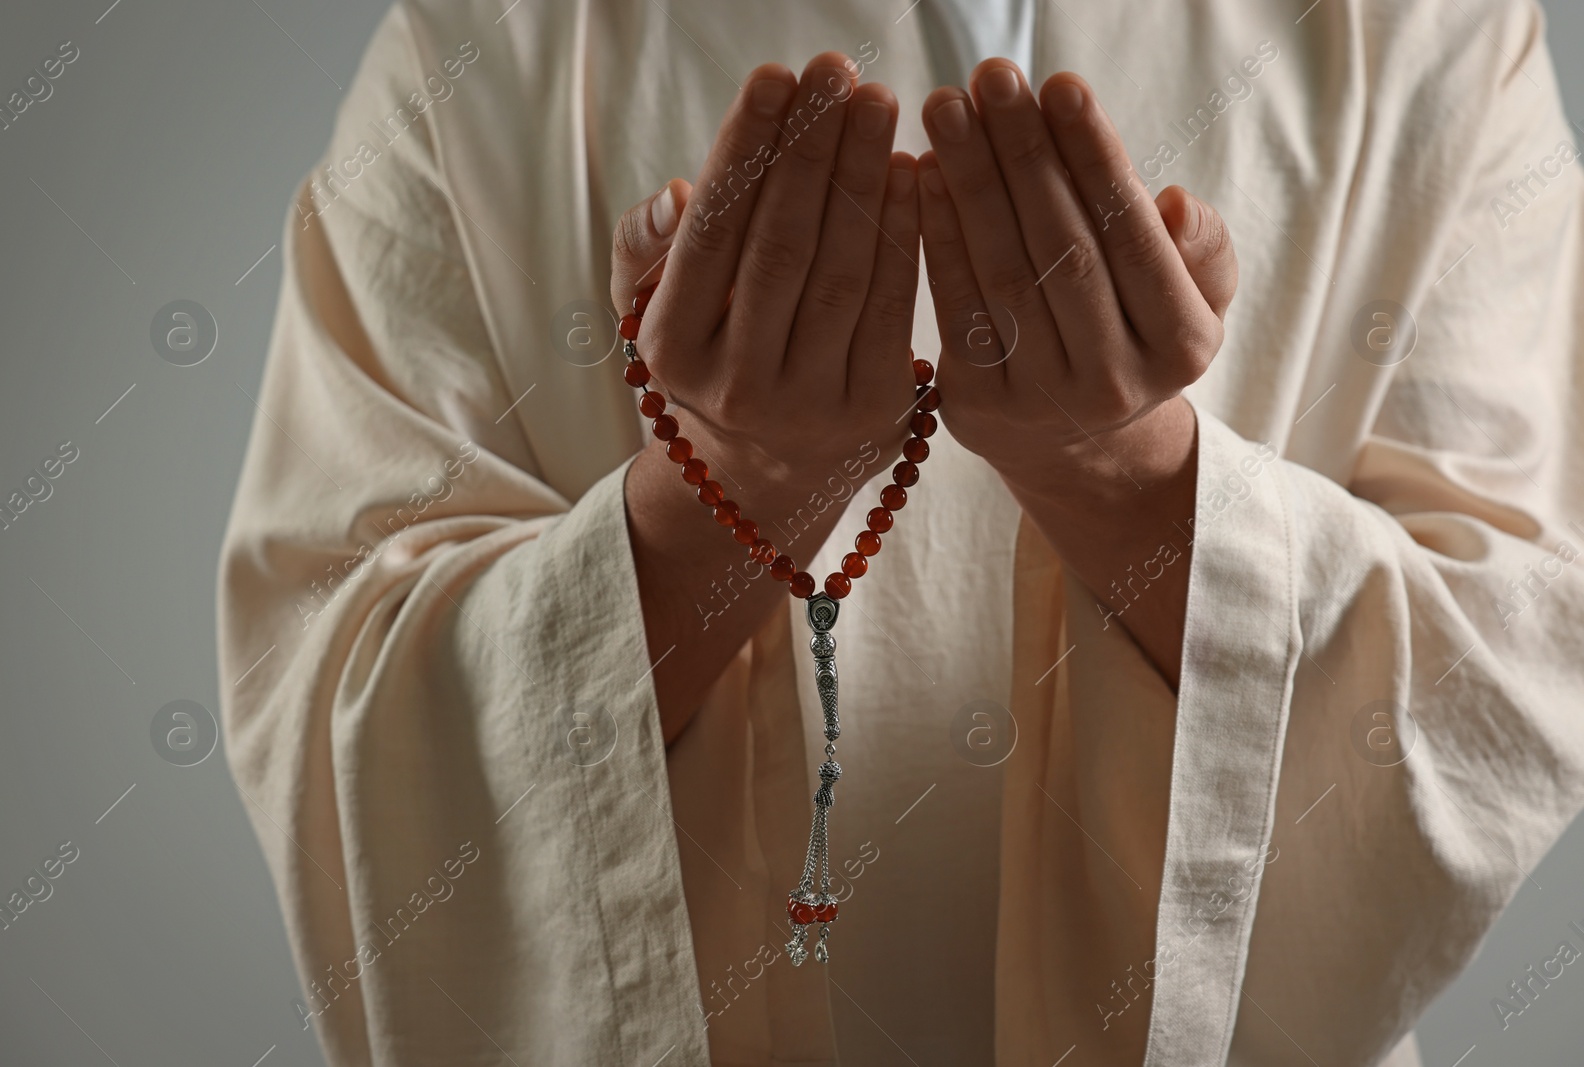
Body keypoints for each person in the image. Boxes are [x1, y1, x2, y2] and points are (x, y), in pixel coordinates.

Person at [216, 0, 1584, 1064]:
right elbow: (346, 694)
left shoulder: (1429, 34)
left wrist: (1127, 478)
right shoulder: (490, 48)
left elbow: (1505, 684)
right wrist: (729, 491)